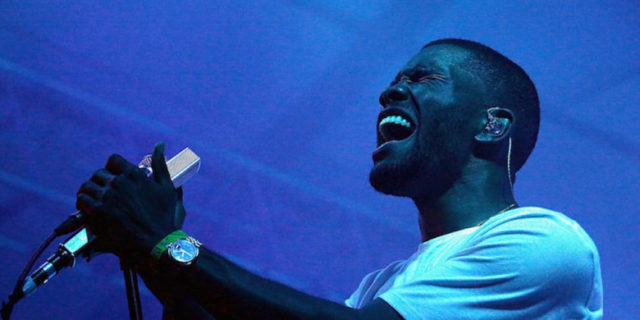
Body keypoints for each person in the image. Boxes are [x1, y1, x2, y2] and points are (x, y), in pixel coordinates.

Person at [76, 39, 603, 319]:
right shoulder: (381, 287)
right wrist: (146, 249)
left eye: (423, 79)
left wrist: (167, 243)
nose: (390, 93)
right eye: (394, 80)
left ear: (492, 123)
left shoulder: (547, 241)